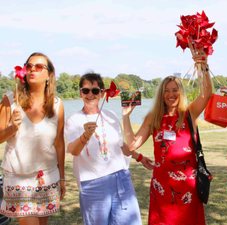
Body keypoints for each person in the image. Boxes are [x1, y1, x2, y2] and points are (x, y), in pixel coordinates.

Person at [122, 57, 212, 225]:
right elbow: (132, 144)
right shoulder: (154, 117)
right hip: (162, 185)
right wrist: (126, 116)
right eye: (167, 91)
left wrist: (203, 65)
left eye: (175, 90)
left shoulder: (189, 113)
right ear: (161, 94)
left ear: (181, 92)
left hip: (188, 185)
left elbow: (206, 94)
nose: (171, 94)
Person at [65, 73, 149, 225]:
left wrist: (140, 157)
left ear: (102, 93)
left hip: (120, 177)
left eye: (95, 91)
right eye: (86, 91)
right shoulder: (74, 120)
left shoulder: (111, 115)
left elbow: (120, 145)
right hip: (92, 182)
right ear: (80, 93)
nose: (90, 95)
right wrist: (85, 135)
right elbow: (73, 150)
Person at [0, 52, 66, 225]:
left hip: (47, 176)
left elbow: (59, 143)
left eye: (38, 67)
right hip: (18, 177)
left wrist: (63, 178)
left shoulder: (57, 105)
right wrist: (12, 127)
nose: (31, 70)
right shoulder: (9, 101)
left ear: (49, 75)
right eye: (28, 66)